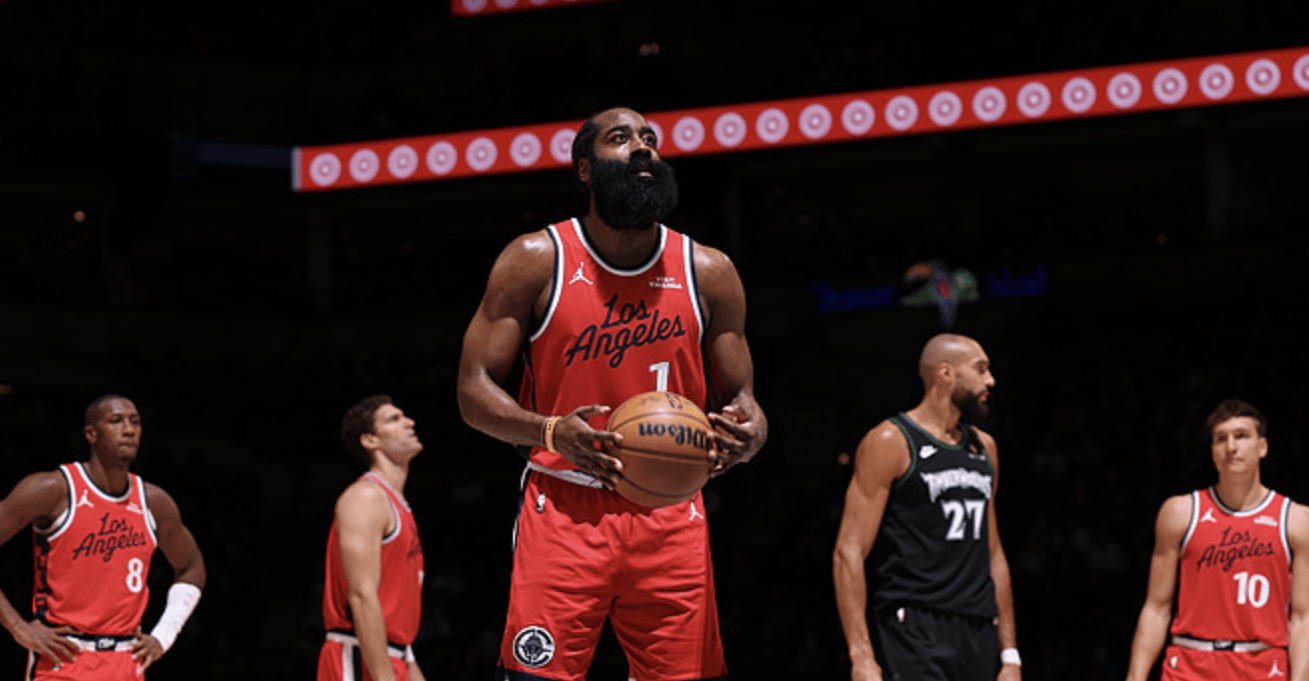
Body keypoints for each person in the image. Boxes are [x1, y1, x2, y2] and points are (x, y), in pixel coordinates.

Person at [457, 106, 767, 681]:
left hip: (672, 508)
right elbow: (472, 391)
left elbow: (745, 399)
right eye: (620, 139)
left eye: (650, 138)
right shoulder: (536, 260)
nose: (642, 147)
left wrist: (749, 433)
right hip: (566, 504)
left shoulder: (709, 270)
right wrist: (551, 431)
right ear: (585, 169)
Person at [833, 334, 1021, 681]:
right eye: (981, 369)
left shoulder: (985, 448)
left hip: (978, 629)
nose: (991, 380)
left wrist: (1010, 655)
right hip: (914, 626)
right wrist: (861, 655)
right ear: (946, 373)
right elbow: (849, 552)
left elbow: (993, 553)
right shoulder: (890, 441)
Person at [0, 395, 205, 680]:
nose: (129, 430)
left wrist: (164, 635)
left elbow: (192, 567)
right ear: (91, 434)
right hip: (64, 658)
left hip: (126, 661)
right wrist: (18, 627)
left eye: (135, 422)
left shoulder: (155, 503)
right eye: (116, 421)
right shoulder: (52, 489)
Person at [1125, 399, 1309, 681]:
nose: (1231, 447)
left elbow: (1303, 617)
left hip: (1263, 667)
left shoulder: (1296, 519)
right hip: (1189, 666)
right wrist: (1135, 677)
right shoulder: (1180, 512)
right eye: (1221, 439)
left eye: (1241, 436)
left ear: (1262, 447)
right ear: (1212, 451)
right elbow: (1156, 608)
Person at [317, 395, 426, 681]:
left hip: (394, 656)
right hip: (358, 657)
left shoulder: (399, 505)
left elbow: (398, 631)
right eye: (394, 419)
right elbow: (362, 596)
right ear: (370, 440)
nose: (409, 422)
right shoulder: (365, 497)